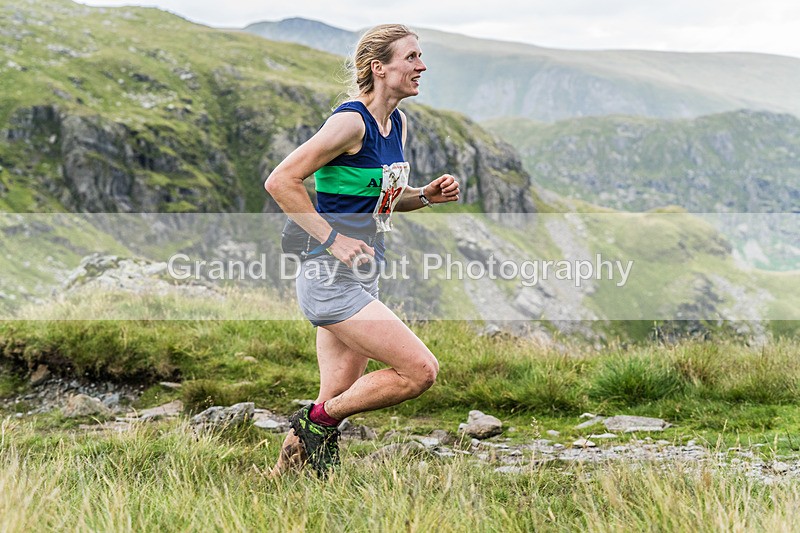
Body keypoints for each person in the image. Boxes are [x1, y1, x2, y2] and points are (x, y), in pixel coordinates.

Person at [263, 23, 460, 477]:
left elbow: (383, 201)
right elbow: (280, 181)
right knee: (419, 371)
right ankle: (318, 424)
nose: (421, 66)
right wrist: (332, 239)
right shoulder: (350, 123)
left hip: (364, 272)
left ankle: (280, 480)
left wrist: (426, 194)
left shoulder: (396, 124)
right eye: (411, 57)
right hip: (329, 277)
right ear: (379, 68)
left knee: (334, 394)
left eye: (420, 56)